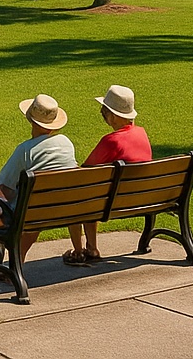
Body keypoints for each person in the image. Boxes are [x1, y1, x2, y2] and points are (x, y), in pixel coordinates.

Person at [0, 94, 76, 262]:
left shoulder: (25, 150)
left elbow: (4, 187)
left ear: (31, 120)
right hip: (59, 209)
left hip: (28, 214)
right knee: (33, 214)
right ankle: (16, 261)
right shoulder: (66, 143)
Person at [69, 85, 152, 265]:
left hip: (110, 203)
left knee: (83, 196)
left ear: (112, 116)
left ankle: (85, 249)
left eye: (104, 111)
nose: (103, 115)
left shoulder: (111, 141)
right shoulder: (142, 134)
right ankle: (91, 247)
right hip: (143, 198)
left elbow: (86, 172)